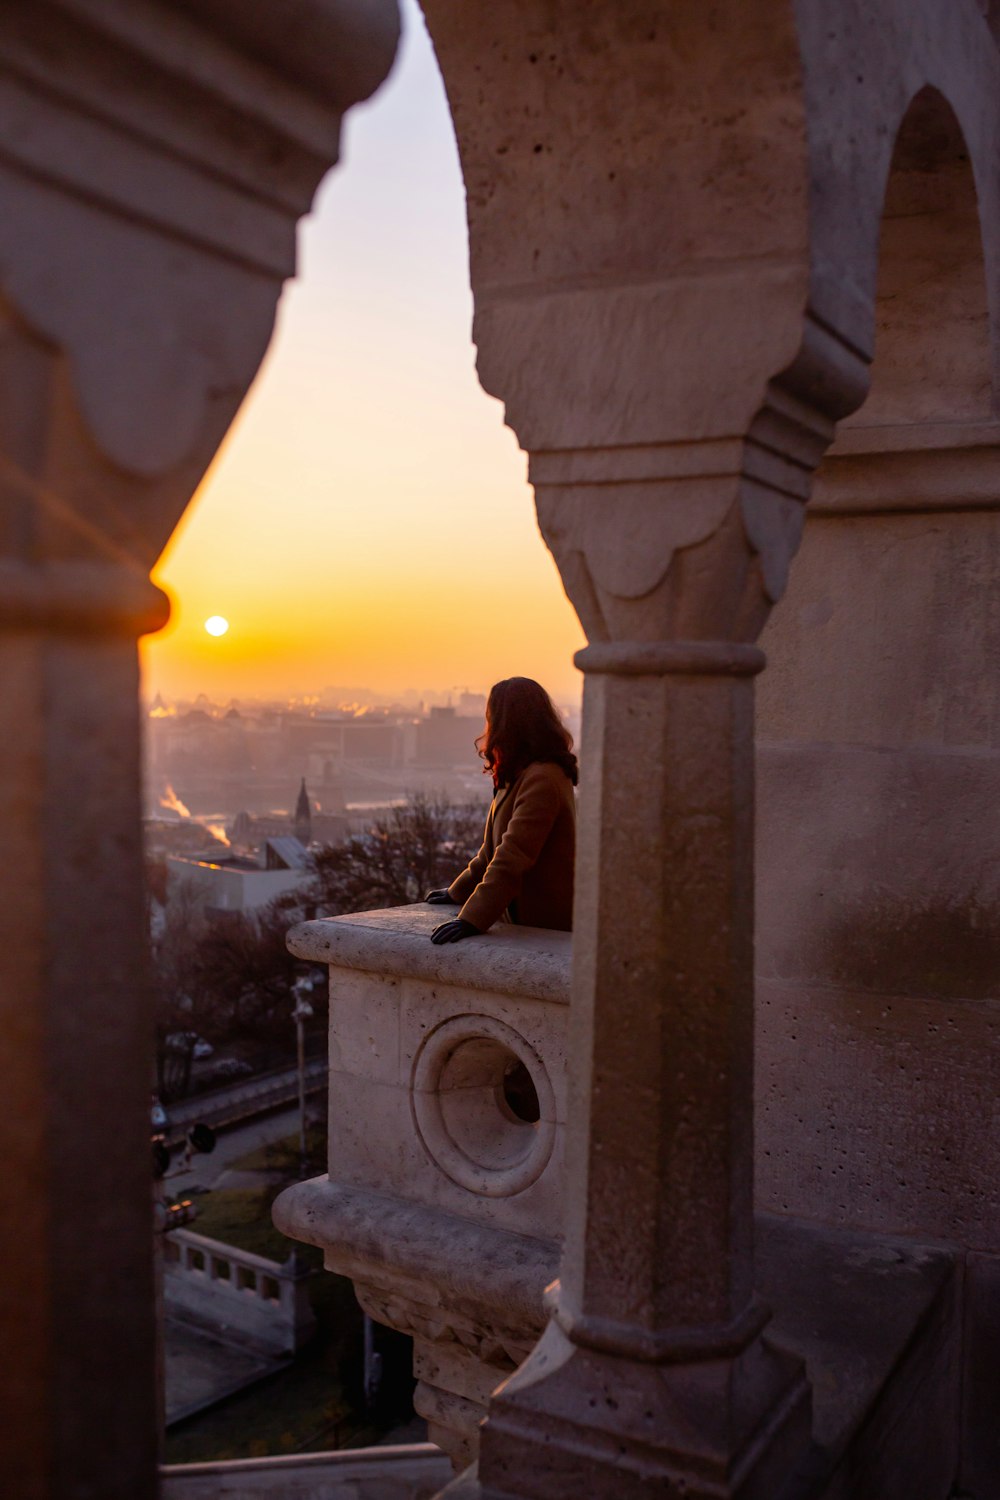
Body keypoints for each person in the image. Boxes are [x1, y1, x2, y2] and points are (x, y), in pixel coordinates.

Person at [426, 677, 577, 943]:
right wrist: (457, 892)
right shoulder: (521, 773)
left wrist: (472, 918)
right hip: (522, 918)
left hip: (543, 925)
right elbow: (491, 850)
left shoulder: (543, 778)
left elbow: (512, 855)